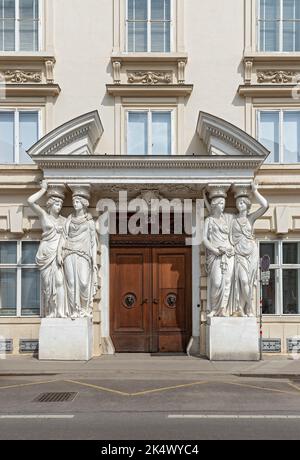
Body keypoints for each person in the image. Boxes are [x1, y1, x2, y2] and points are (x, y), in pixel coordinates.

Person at [27, 181, 66, 318]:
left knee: (60, 282)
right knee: (48, 286)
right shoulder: (44, 215)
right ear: (50, 205)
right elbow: (30, 201)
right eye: (57, 204)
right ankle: (51, 311)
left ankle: (60, 312)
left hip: (58, 253)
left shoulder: (64, 220)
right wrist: (43, 189)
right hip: (46, 253)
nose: (59, 207)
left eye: (61, 204)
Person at [58, 190, 98, 318]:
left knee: (84, 282)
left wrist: (94, 259)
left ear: (84, 204)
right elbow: (63, 237)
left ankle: (84, 309)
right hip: (69, 252)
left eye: (77, 202)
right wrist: (59, 253)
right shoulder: (69, 220)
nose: (75, 204)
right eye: (74, 201)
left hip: (84, 254)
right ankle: (74, 311)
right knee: (70, 282)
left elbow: (93, 242)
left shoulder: (89, 221)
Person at [231, 182, 269, 317]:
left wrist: (255, 191)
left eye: (242, 203)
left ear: (247, 205)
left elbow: (265, 206)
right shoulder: (233, 220)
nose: (239, 205)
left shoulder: (250, 218)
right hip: (239, 254)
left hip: (251, 252)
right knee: (243, 281)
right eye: (238, 202)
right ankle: (250, 307)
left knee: (247, 282)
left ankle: (244, 308)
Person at [203, 190, 234, 317]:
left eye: (224, 203)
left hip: (228, 254)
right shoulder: (209, 220)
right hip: (215, 255)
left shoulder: (227, 220)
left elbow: (232, 237)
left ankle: (223, 309)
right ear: (215, 205)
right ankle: (214, 309)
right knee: (216, 282)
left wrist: (231, 248)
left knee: (227, 282)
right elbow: (204, 239)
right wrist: (214, 250)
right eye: (220, 203)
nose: (223, 206)